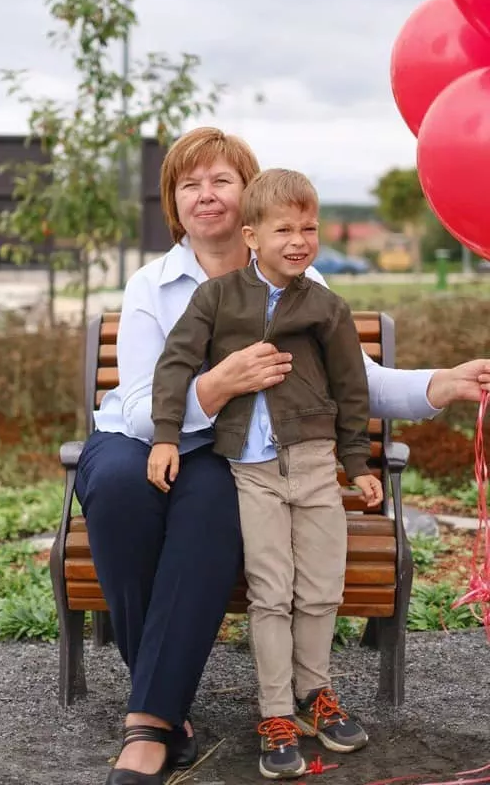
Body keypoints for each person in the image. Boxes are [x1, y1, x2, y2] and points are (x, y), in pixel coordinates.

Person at [74, 126, 490, 785]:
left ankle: (151, 721)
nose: (206, 194)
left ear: (248, 198)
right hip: (140, 438)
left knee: (211, 507)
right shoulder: (151, 286)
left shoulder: (299, 276)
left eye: (221, 180)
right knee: (122, 490)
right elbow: (139, 406)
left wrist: (440, 383)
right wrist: (219, 384)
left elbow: (357, 380)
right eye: (189, 184)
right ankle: (164, 703)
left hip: (232, 456)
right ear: (174, 201)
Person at [147, 168, 383, 779]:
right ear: (251, 236)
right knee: (272, 592)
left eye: (309, 228)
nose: (299, 241)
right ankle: (276, 712)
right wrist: (167, 435)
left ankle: (315, 694)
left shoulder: (326, 307)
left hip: (315, 466)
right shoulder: (217, 299)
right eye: (284, 230)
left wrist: (357, 462)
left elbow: (352, 390)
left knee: (322, 588)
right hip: (252, 472)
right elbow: (174, 365)